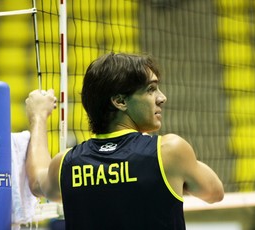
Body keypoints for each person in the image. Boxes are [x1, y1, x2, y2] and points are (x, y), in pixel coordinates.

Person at [25, 52, 224, 230]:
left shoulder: (65, 163)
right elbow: (215, 193)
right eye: (151, 89)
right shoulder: (168, 151)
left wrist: (38, 116)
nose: (162, 98)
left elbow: (36, 183)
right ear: (120, 101)